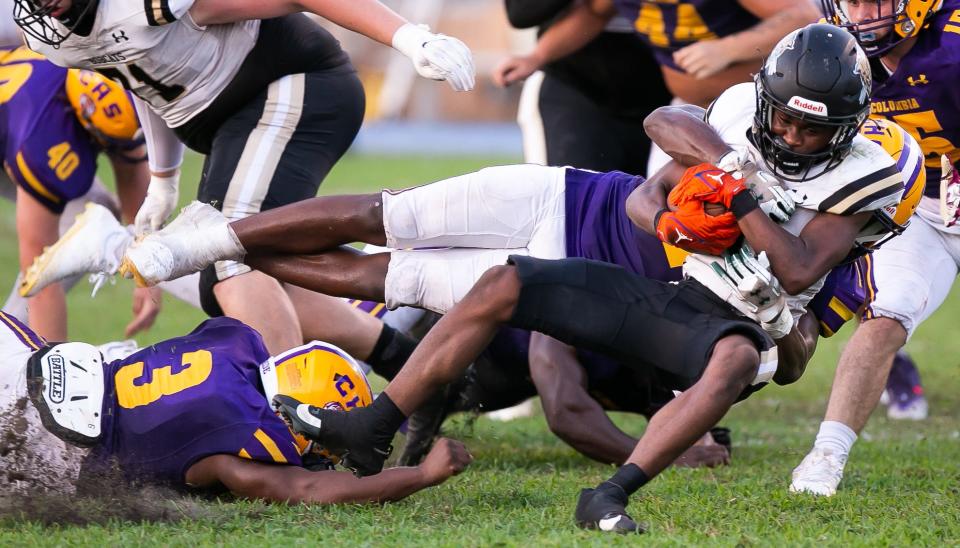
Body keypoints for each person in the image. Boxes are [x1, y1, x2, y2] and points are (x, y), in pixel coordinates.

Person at [98, 24, 909, 532]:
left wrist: (748, 253)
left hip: (614, 291)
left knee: (384, 276)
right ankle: (206, 243)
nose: (797, 138)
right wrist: (703, 196)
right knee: (390, 213)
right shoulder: (737, 118)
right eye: (789, 119)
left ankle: (237, 260)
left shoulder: (852, 194)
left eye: (815, 127)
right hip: (574, 203)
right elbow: (658, 160)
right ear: (768, 101)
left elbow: (790, 332)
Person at [13, 0, 475, 356]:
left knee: (228, 261)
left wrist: (412, 38)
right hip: (236, 120)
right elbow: (142, 77)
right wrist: (163, 176)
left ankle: (293, 420)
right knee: (240, 274)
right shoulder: (57, 35)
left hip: (294, 84)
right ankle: (409, 358)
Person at [6, 308, 472, 502]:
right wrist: (423, 475)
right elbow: (310, 491)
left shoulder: (235, 343)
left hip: (37, 360)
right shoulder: (244, 437)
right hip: (48, 450)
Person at [789, 0, 960, 496]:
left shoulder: (950, 42)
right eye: (852, 1)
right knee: (887, 313)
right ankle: (826, 457)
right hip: (922, 211)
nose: (862, 13)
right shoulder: (830, 54)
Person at [0, 47, 159, 341]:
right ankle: (11, 352)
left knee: (93, 213)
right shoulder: (43, 141)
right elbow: (40, 277)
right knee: (49, 264)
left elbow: (131, 165)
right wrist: (56, 368)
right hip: (21, 131)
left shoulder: (91, 64)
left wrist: (148, 276)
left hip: (15, 118)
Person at [495, 0, 671, 175]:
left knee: (661, 198)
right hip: (575, 85)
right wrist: (537, 57)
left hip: (670, 98)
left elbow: (600, 11)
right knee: (572, 194)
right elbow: (521, 12)